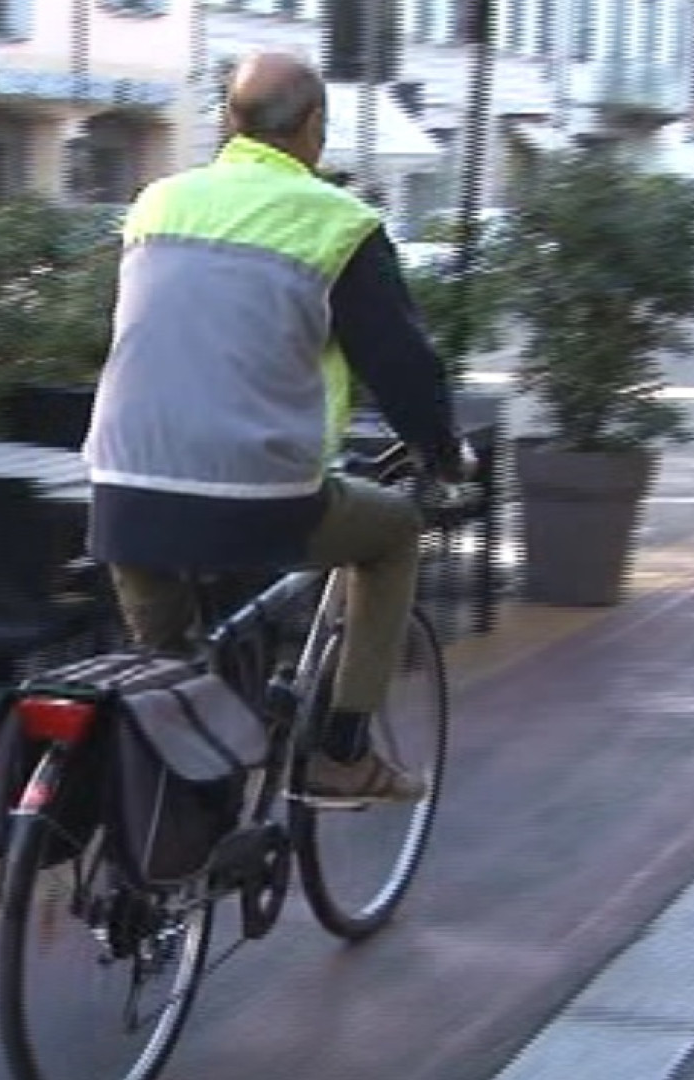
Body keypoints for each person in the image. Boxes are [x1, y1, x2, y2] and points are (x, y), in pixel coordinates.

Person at [82, 52, 473, 802]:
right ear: (315, 124)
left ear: (228, 122)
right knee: (393, 535)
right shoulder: (339, 223)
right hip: (256, 494)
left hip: (122, 488)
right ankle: (342, 753)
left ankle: (165, 844)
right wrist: (443, 452)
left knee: (173, 686)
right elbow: (401, 367)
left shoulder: (157, 202)